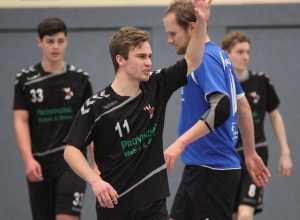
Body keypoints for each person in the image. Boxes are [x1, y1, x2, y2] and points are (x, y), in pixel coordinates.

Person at [63, 1, 211, 219]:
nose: (149, 62)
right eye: (141, 57)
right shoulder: (96, 107)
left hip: (154, 204)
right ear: (120, 59)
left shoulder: (156, 85)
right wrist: (95, 181)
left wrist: (202, 23)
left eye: (150, 56)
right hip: (114, 207)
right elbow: (70, 150)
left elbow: (193, 59)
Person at [162, 1, 271, 219]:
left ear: (192, 27)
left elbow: (222, 107)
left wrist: (180, 142)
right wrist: (249, 153)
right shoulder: (219, 55)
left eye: (173, 33)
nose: (169, 40)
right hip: (199, 167)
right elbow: (243, 106)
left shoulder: (205, 59)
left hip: (212, 170)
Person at [13, 18, 93, 220]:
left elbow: (91, 123)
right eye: (50, 41)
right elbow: (21, 121)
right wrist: (28, 160)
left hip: (72, 161)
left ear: (66, 41)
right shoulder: (25, 79)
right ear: (39, 42)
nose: (55, 46)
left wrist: (96, 161)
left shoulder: (81, 79)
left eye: (60, 41)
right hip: (40, 162)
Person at [221, 31, 293, 220]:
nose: (245, 56)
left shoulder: (261, 81)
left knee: (245, 215)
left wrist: (285, 152)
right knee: (232, 215)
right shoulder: (220, 86)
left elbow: (275, 115)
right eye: (239, 52)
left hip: (256, 153)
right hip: (229, 157)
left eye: (248, 52)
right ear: (226, 53)